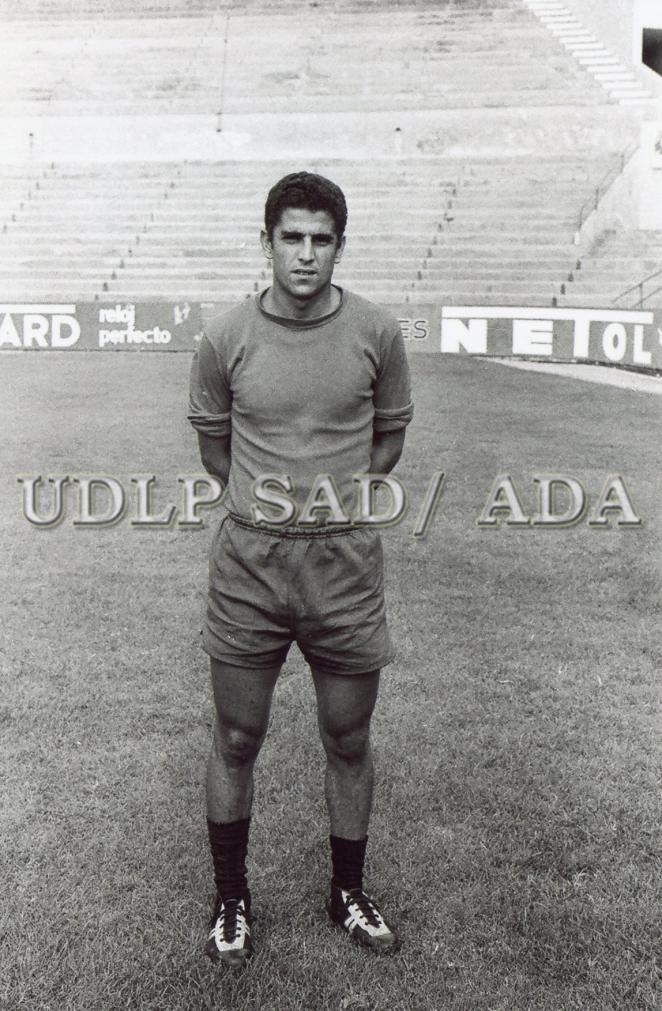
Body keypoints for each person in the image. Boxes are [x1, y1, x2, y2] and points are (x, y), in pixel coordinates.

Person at [188, 171, 413, 967]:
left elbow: (389, 437)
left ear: (340, 246)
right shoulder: (226, 337)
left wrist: (332, 502)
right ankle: (231, 898)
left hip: (343, 565)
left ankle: (347, 891)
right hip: (249, 565)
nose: (306, 253)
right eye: (292, 237)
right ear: (267, 242)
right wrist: (270, 506)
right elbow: (216, 450)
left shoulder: (377, 332)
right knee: (236, 733)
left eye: (322, 239)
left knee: (348, 735)